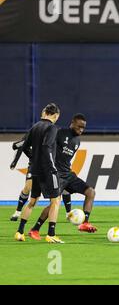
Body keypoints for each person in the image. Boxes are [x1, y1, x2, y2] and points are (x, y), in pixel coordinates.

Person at [27, 113, 97, 240]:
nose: (81, 130)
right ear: (72, 123)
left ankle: (85, 223)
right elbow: (45, 144)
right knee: (55, 202)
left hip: (68, 174)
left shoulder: (77, 141)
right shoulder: (59, 133)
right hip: (56, 175)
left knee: (90, 192)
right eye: (79, 127)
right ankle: (35, 229)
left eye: (83, 128)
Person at [15, 103, 63, 243]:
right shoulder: (52, 128)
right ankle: (51, 234)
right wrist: (52, 166)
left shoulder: (34, 126)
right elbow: (47, 147)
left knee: (32, 201)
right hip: (48, 170)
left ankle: (19, 232)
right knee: (55, 200)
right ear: (55, 115)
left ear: (44, 113)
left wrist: (33, 158)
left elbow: (24, 146)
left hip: (35, 169)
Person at [9, 110, 47, 221]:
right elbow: (20, 146)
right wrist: (15, 161)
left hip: (46, 166)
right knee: (27, 187)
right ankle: (17, 212)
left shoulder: (50, 132)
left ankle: (67, 212)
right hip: (34, 165)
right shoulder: (33, 132)